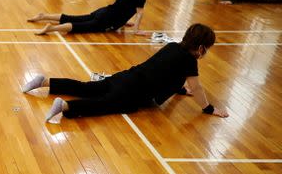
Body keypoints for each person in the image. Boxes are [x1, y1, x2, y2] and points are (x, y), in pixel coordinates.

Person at [21, 23, 229, 122]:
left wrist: (180, 91)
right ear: (201, 48)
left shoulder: (173, 46)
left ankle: (46, 81)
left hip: (126, 76)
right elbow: (197, 86)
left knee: (88, 87)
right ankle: (66, 106)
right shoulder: (190, 61)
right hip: (134, 92)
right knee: (105, 104)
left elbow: (166, 72)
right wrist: (209, 109)